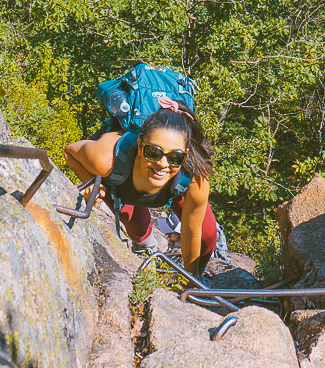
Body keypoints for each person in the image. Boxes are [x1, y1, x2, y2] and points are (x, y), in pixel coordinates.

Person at [64, 106, 218, 275]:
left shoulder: (195, 179)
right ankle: (146, 245)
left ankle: (197, 275)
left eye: (175, 157)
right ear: (139, 145)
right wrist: (91, 181)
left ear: (185, 156)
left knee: (207, 237)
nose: (163, 164)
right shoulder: (106, 159)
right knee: (137, 227)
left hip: (173, 186)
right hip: (124, 180)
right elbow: (70, 152)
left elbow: (192, 232)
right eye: (153, 152)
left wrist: (192, 280)